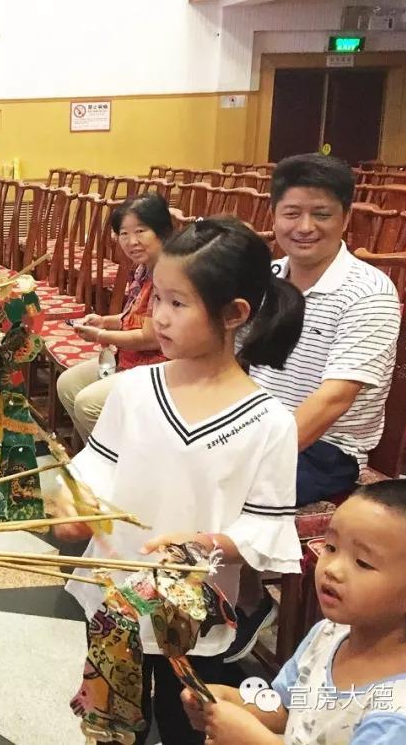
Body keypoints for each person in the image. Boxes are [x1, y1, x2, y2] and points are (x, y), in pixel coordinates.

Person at [52, 217, 305, 745]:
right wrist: (72, 505)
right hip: (114, 596)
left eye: (177, 303)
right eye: (157, 299)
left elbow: (265, 529)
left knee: (185, 721)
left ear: (235, 314)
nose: (157, 317)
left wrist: (203, 544)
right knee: (110, 717)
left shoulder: (269, 421)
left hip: (191, 616)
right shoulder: (131, 389)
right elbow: (94, 470)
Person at [228, 153, 402, 664]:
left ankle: (248, 601)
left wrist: (250, 451)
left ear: (347, 217)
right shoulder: (269, 277)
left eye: (321, 214)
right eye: (292, 212)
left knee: (221, 481)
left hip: (326, 449)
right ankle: (201, 592)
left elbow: (334, 399)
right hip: (263, 426)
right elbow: (239, 359)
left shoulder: (367, 292)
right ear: (274, 215)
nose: (304, 227)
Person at [182, 479, 406, 744]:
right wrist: (231, 701)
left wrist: (252, 739)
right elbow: (287, 706)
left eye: (362, 562)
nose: (332, 568)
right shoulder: (329, 633)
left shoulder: (400, 715)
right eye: (331, 548)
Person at [55, 193, 173, 442]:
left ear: (162, 231)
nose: (132, 241)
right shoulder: (142, 269)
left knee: (88, 404)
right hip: (131, 356)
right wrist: (104, 321)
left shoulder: (169, 274)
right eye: (124, 234)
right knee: (68, 384)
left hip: (160, 364)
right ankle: (101, 455)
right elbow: (135, 317)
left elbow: (151, 337)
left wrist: (100, 335)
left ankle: (125, 461)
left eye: (141, 231)